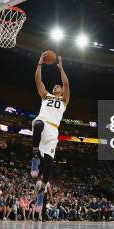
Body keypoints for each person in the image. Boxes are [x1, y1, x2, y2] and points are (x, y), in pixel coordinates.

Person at [31, 52, 70, 211]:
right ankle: (34, 157)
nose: (57, 86)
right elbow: (38, 80)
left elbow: (66, 84)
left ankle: (42, 194)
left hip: (53, 132)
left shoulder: (64, 100)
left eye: (58, 86)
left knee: (48, 167)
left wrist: (61, 68)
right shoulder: (45, 96)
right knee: (38, 124)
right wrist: (40, 62)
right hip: (43, 124)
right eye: (55, 86)